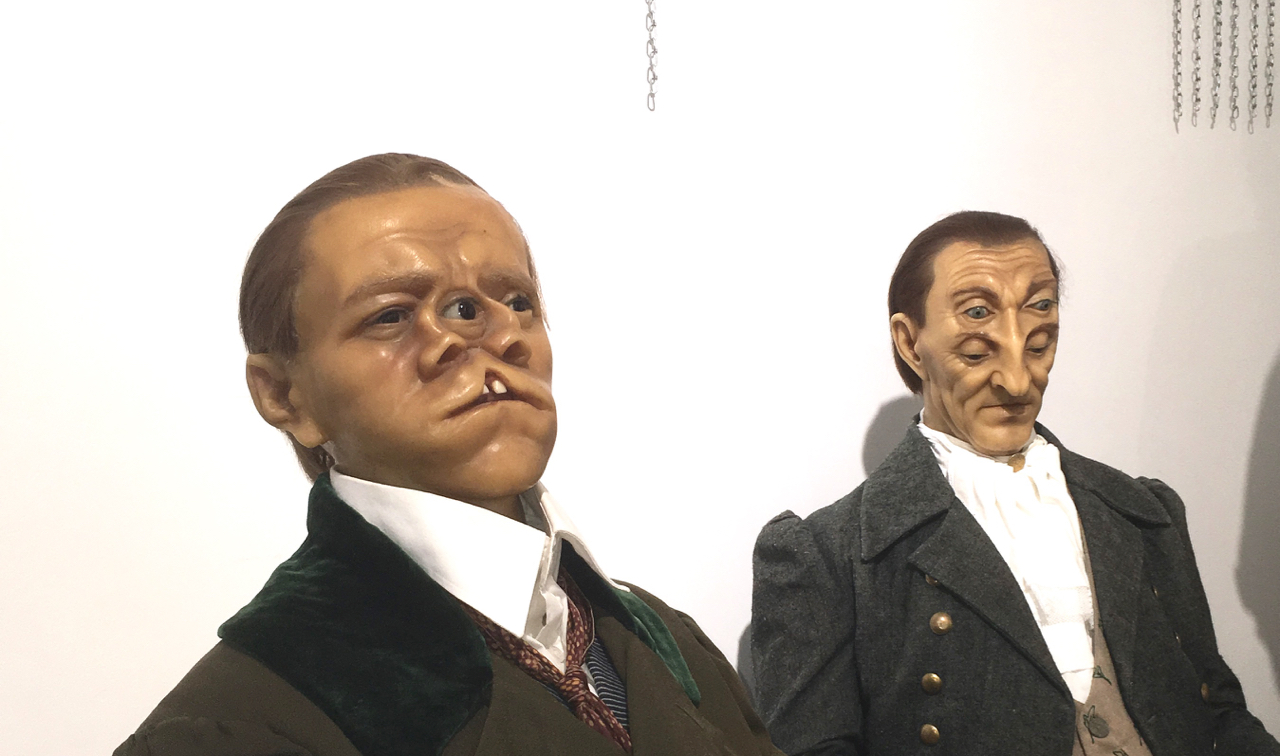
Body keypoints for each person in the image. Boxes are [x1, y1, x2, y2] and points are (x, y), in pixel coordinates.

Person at [116, 153, 778, 756]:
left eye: (516, 301)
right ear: (283, 394)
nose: (489, 337)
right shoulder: (236, 724)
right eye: (392, 315)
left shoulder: (665, 642)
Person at [750, 211, 1280, 756]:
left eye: (1039, 342)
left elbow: (1218, 713)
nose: (1019, 382)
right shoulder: (823, 557)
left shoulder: (1143, 511)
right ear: (911, 343)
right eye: (977, 352)